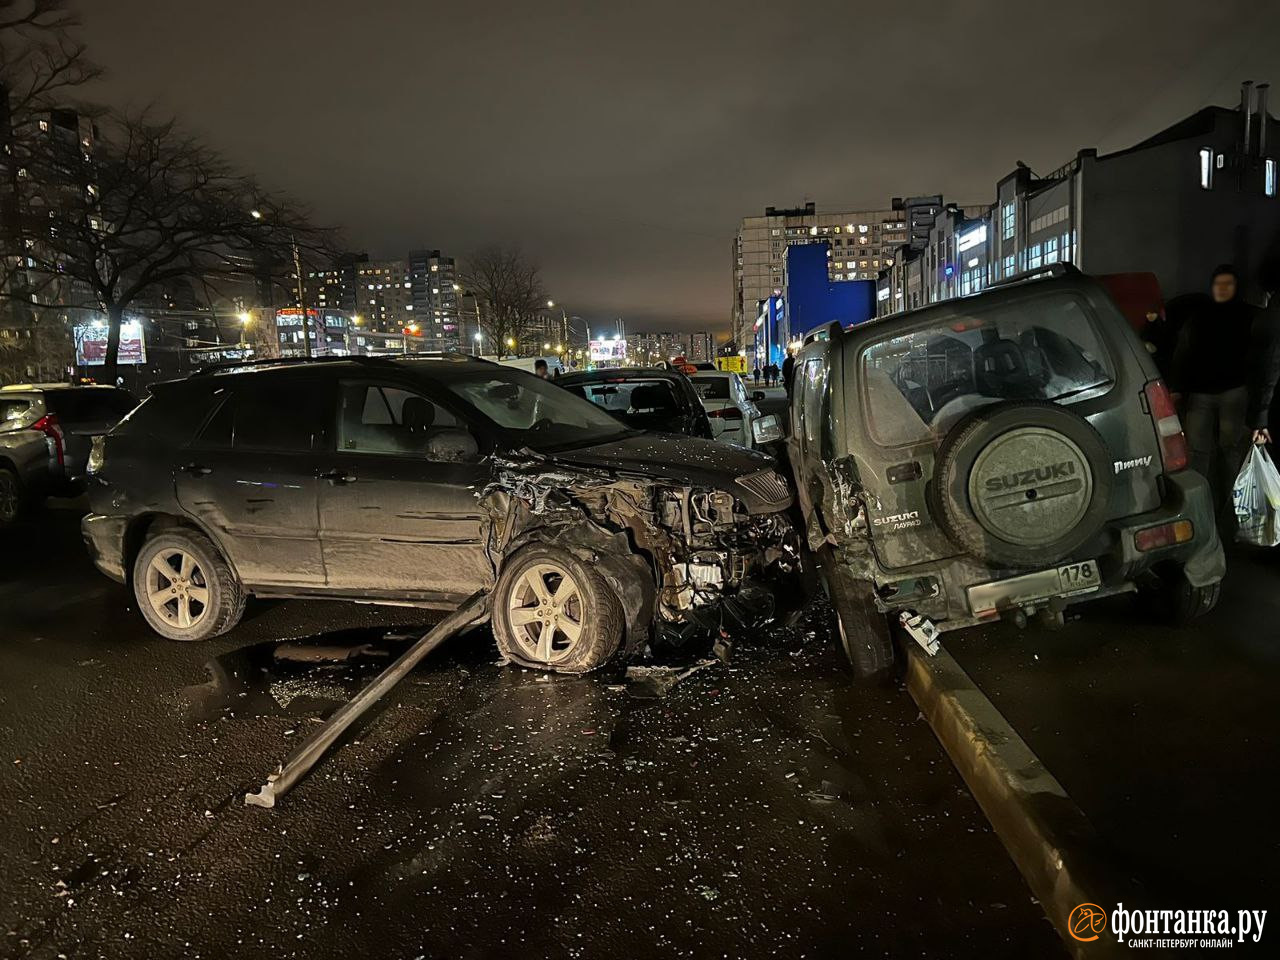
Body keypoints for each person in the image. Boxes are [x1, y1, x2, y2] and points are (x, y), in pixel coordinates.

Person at [1169, 264, 1276, 524]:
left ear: (1236, 287)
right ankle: (1200, 510)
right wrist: (1176, 388)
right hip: (1201, 394)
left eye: (1228, 284)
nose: (1223, 289)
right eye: (1218, 284)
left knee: (1232, 453)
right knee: (1197, 452)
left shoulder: (1249, 316)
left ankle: (1232, 511)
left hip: (1235, 392)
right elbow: (1183, 352)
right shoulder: (1199, 316)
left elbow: (1265, 357)